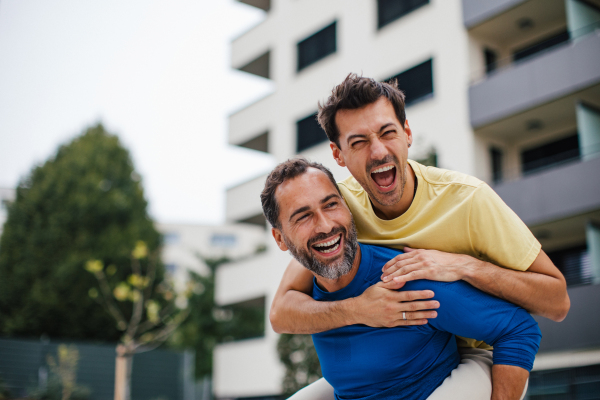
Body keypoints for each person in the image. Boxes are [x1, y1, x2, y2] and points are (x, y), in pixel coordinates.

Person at [269, 75, 570, 398]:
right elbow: (282, 311)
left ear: (407, 133)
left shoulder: (468, 200)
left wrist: (465, 266)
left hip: (479, 354)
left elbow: (557, 303)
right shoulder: (335, 211)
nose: (378, 151)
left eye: (388, 133)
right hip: (394, 359)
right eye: (358, 142)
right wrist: (360, 310)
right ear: (338, 154)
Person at [260, 158, 541, 400]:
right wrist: (357, 309)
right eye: (303, 217)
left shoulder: (406, 281)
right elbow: (279, 315)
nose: (325, 225)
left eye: (331, 204)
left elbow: (519, 329)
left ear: (347, 207)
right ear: (280, 238)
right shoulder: (307, 293)